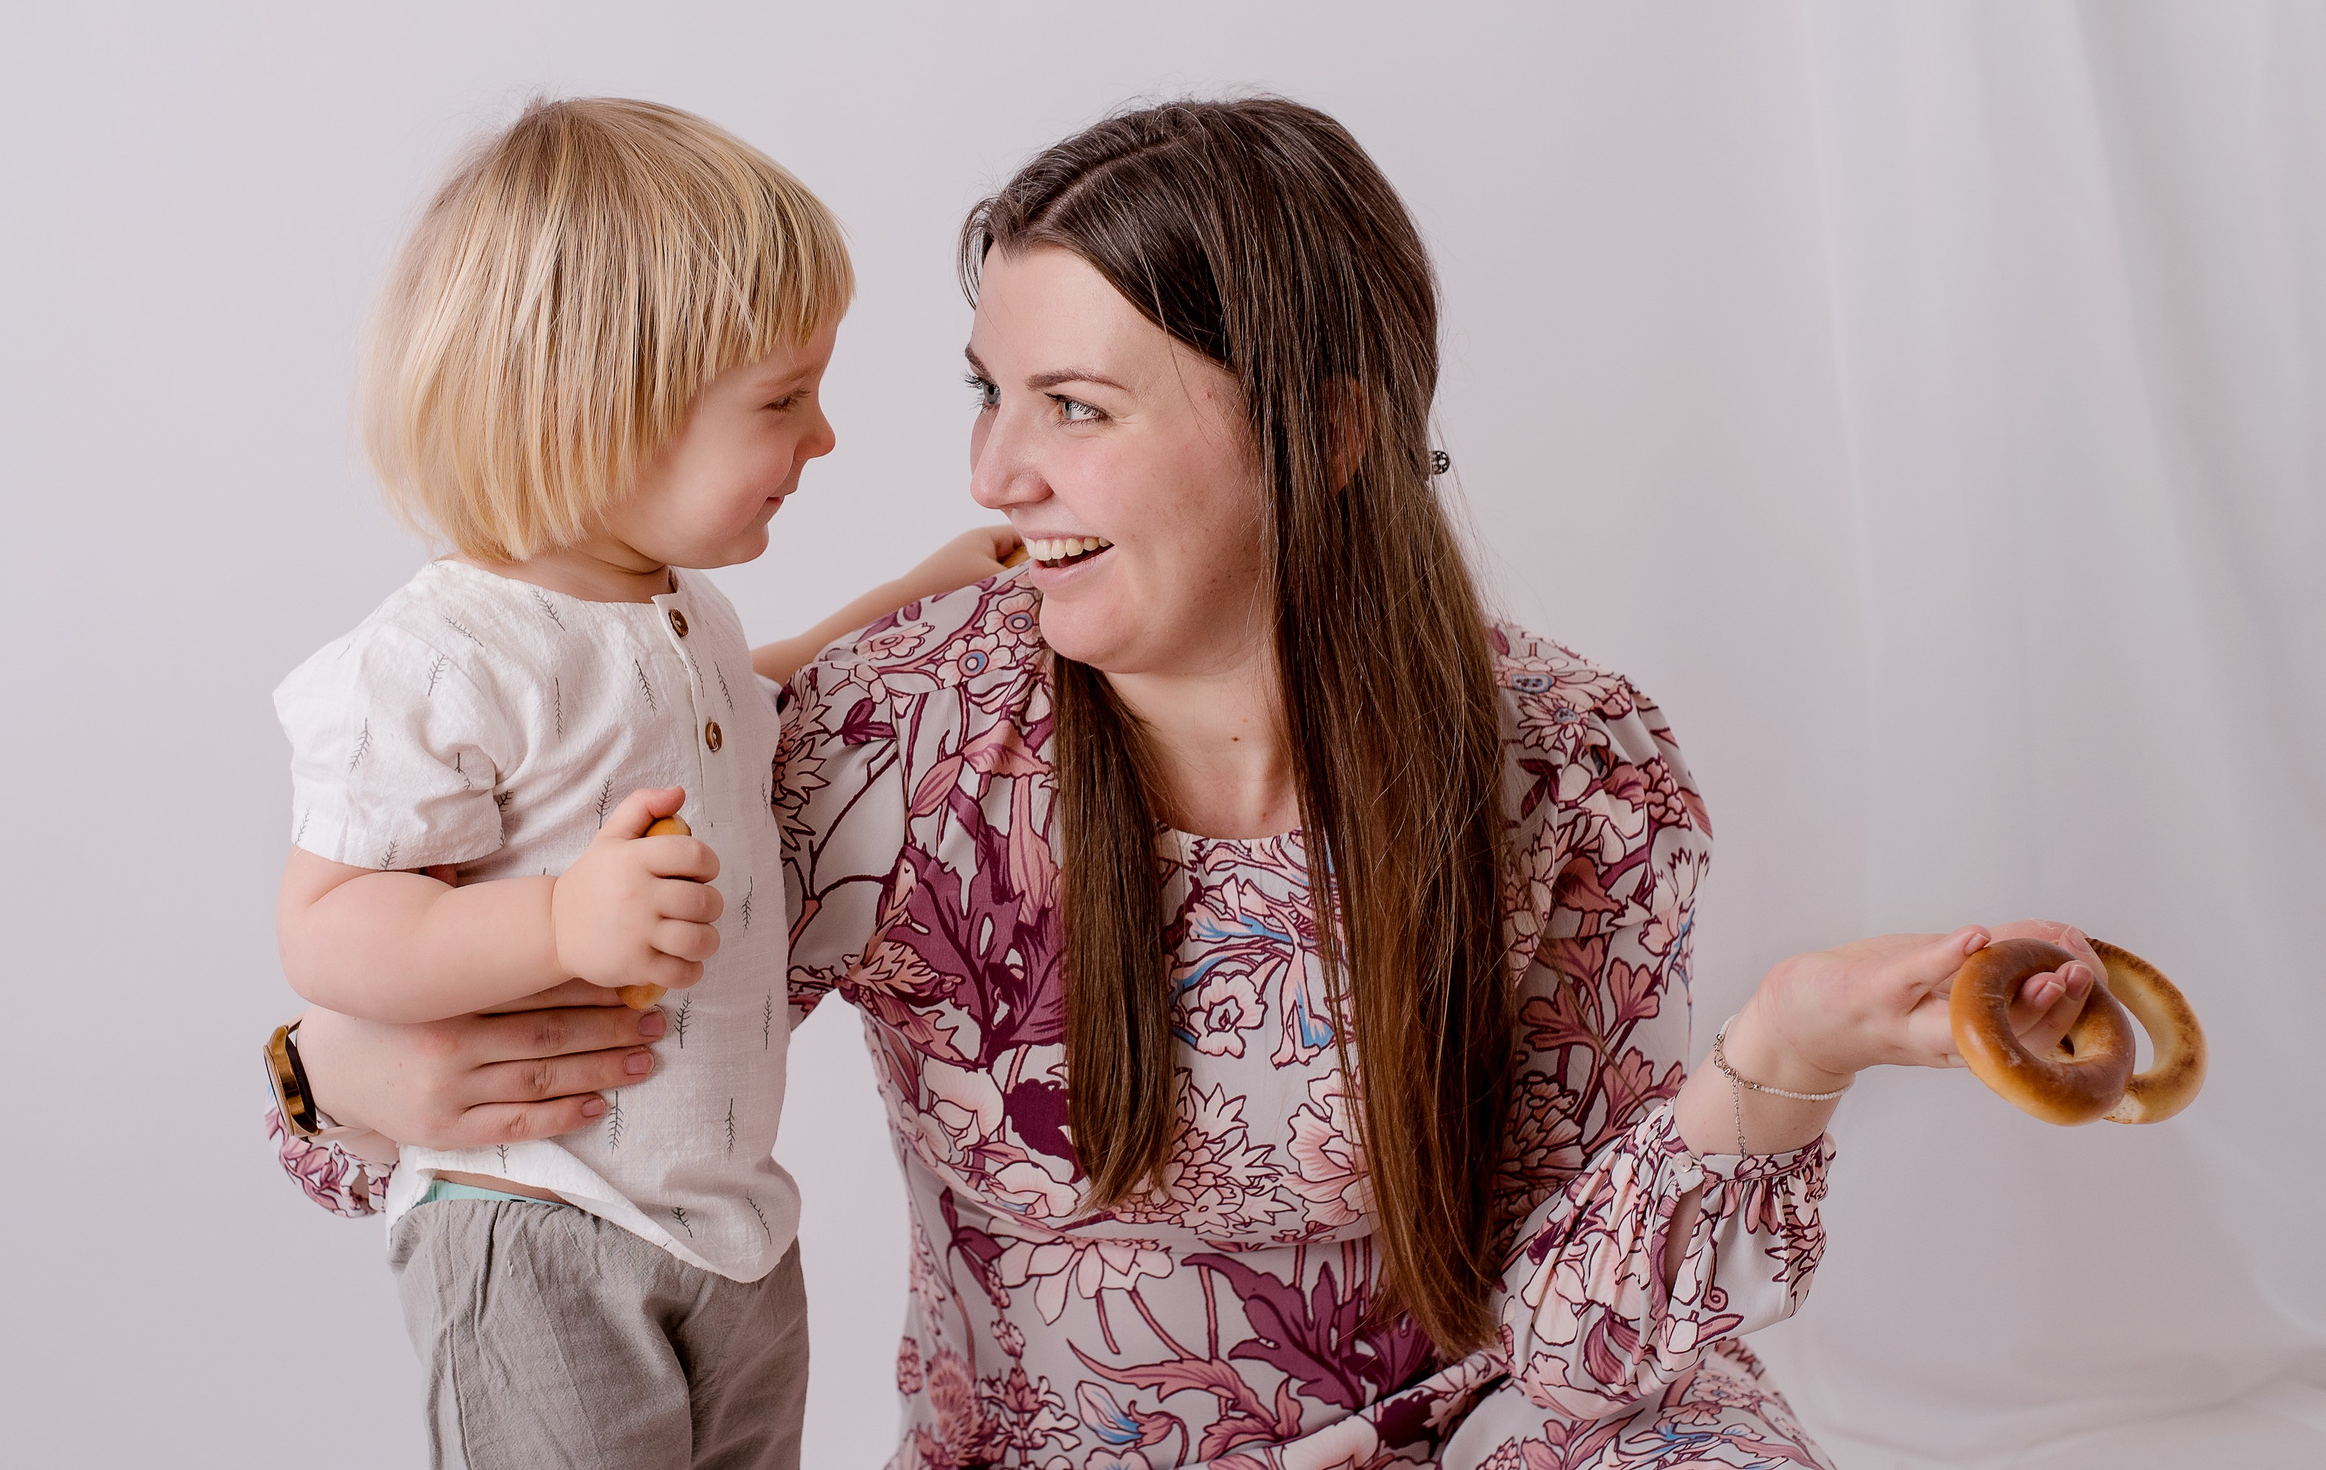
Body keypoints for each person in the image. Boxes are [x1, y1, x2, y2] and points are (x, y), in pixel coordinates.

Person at [268, 97, 2108, 1467]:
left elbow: (1586, 1338)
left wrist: (1779, 1058)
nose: (995, 471)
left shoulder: (1578, 768)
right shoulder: (891, 744)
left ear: (1323, 429)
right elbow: (494, 1129)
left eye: (1077, 406)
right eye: (989, 394)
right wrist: (340, 1070)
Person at [270, 96, 1012, 1469]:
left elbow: (750, 702)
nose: (825, 437)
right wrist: (554, 926)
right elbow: (326, 921)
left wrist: (916, 593)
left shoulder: (675, 617)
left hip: (725, 1221)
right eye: (784, 400)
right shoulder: (450, 657)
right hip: (541, 1215)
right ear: (599, 412)